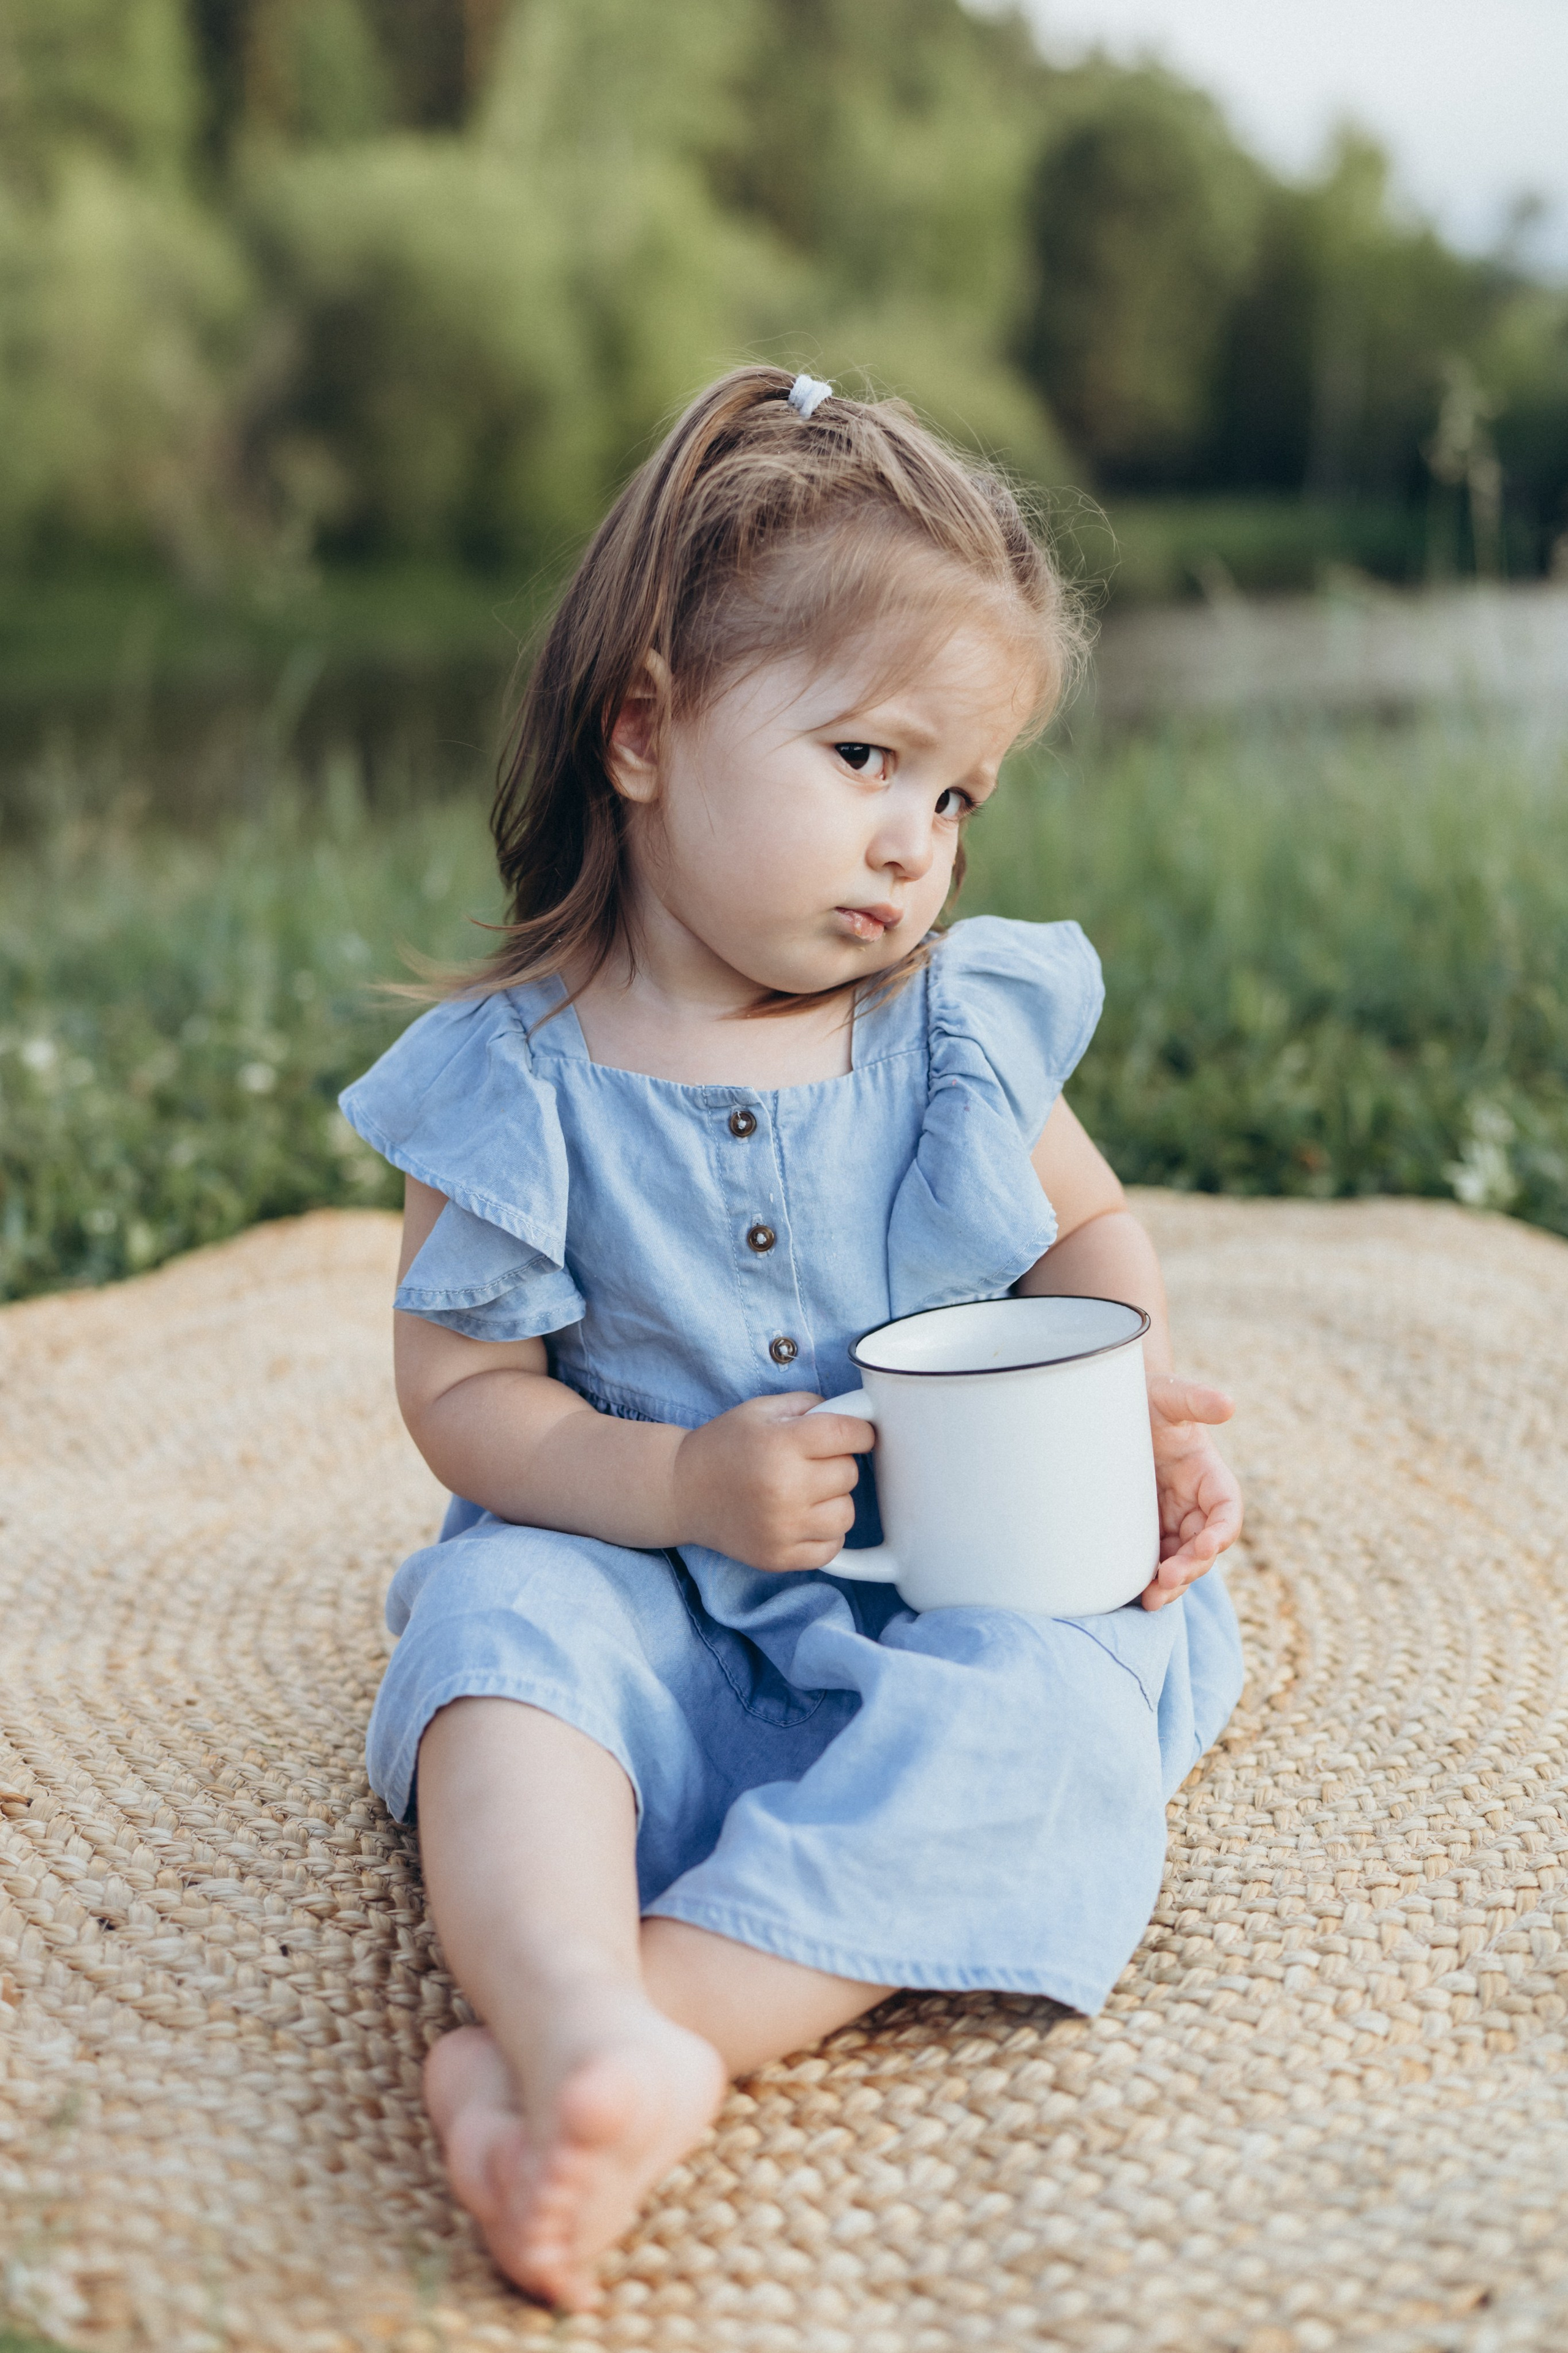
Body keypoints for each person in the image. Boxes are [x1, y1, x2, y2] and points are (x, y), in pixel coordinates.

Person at [339, 366, 1245, 2311]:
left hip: (946, 1581)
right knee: (501, 1649)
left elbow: (1090, 1235)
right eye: (865, 756)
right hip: (643, 1582)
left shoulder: (954, 1025)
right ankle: (572, 1995)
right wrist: (667, 1480)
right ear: (647, 724)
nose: (916, 843)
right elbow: (462, 1393)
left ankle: (645, 2036)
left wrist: (1126, 1390)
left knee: (1067, 1718)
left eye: (957, 795)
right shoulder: (523, 1080)